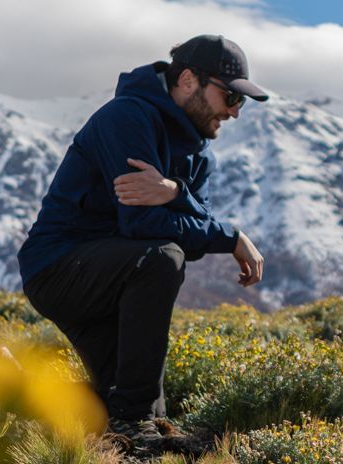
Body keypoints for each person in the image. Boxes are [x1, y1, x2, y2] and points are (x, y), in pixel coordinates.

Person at [15, 34, 268, 428]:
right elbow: (142, 224)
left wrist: (173, 191)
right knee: (164, 258)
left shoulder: (200, 155)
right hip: (60, 268)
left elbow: (198, 222)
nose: (235, 112)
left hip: (115, 273)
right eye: (230, 98)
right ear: (188, 81)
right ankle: (133, 427)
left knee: (123, 405)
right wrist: (228, 237)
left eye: (242, 102)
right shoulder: (128, 118)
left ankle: (9, 387)